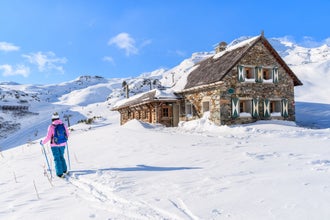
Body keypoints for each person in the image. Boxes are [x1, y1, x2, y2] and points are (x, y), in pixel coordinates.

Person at [41, 112, 69, 178]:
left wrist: (42, 142)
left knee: (57, 158)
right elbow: (67, 135)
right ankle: (65, 170)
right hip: (63, 144)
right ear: (58, 118)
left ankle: (59, 173)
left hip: (54, 145)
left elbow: (48, 137)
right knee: (61, 156)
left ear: (52, 119)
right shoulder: (63, 125)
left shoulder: (51, 126)